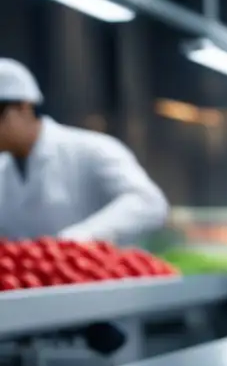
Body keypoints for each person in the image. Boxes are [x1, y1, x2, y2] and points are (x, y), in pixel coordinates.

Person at [0, 58, 168, 242]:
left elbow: (148, 202)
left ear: (24, 107)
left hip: (105, 269)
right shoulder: (3, 168)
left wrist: (79, 238)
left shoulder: (93, 149)